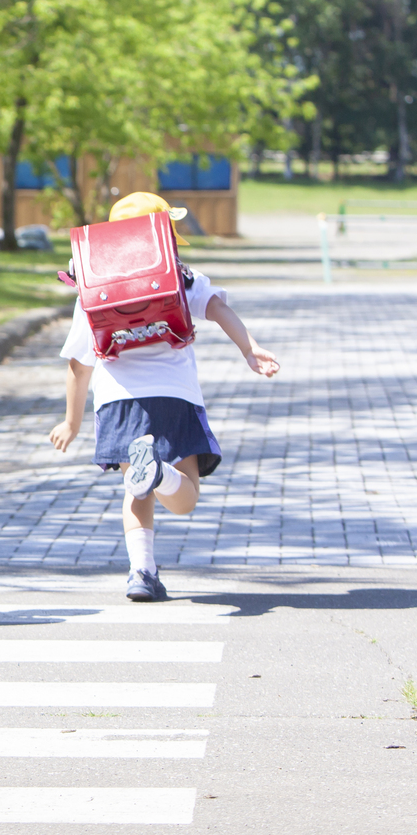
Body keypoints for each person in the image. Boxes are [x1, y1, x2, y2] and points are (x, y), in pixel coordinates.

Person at [47, 192, 279, 602]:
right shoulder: (179, 276)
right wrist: (249, 347)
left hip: (117, 402)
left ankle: (142, 572)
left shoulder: (95, 290)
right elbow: (217, 308)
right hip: (174, 395)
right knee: (184, 496)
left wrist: (71, 422)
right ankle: (158, 472)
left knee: (134, 493)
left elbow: (79, 364)